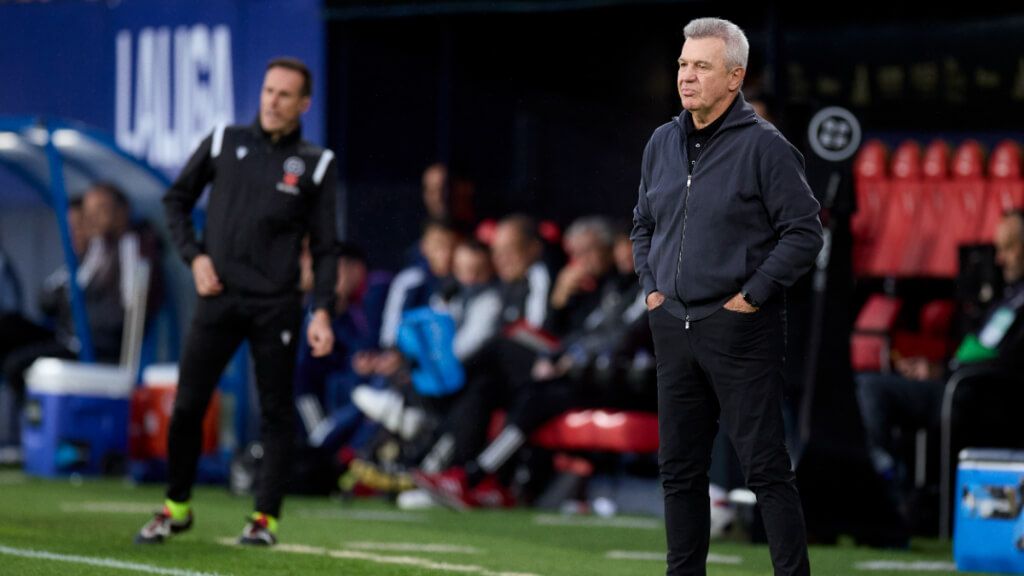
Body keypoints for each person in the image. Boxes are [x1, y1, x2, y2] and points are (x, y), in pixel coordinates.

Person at [631, 18, 823, 576]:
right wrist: (652, 290)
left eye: (701, 67)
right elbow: (642, 223)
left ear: (734, 77)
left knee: (765, 468)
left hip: (739, 326)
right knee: (680, 471)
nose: (687, 77)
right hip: (673, 323)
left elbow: (805, 231)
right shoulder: (661, 141)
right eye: (683, 65)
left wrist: (753, 295)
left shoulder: (766, 148)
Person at [136, 57, 338, 547]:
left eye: (285, 94)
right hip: (219, 298)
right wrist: (195, 258)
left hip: (277, 305)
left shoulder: (316, 163)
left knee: (275, 411)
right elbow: (175, 201)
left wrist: (323, 312)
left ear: (304, 104)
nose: (272, 101)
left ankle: (264, 518)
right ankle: (175, 507)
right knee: (187, 407)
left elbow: (327, 246)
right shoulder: (225, 141)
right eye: (268, 90)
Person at [856, 211, 1024, 500]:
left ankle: (887, 487)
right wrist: (937, 367)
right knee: (864, 383)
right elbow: (980, 348)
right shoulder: (1008, 298)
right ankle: (892, 480)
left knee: (872, 389)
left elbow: (1006, 361)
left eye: (1009, 247)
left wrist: (946, 373)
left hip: (977, 393)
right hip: (956, 382)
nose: (999, 259)